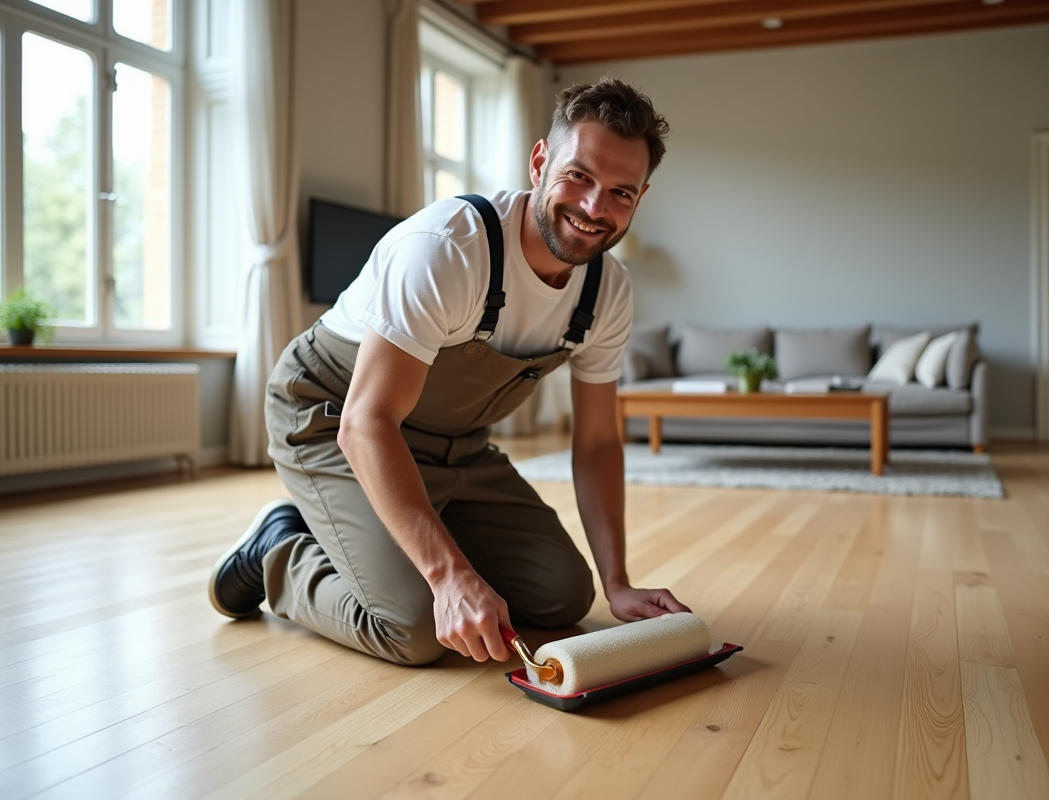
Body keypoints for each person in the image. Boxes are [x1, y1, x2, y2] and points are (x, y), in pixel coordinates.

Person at [208, 76, 690, 666]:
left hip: (457, 449)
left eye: (620, 192)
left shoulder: (607, 291)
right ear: (540, 161)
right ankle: (279, 549)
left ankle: (397, 536)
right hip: (334, 420)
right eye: (579, 176)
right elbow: (367, 422)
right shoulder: (449, 249)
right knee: (411, 627)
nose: (594, 208)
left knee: (563, 595)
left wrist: (617, 582)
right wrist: (447, 576)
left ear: (641, 196)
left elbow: (595, 441)